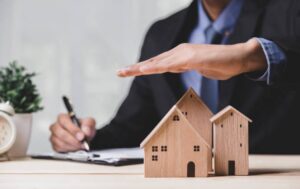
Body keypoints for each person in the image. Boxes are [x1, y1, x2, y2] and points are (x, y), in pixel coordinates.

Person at [50, 0, 300, 154]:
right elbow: (132, 129)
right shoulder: (161, 34)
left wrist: (252, 57)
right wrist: (84, 138)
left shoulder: (290, 12)